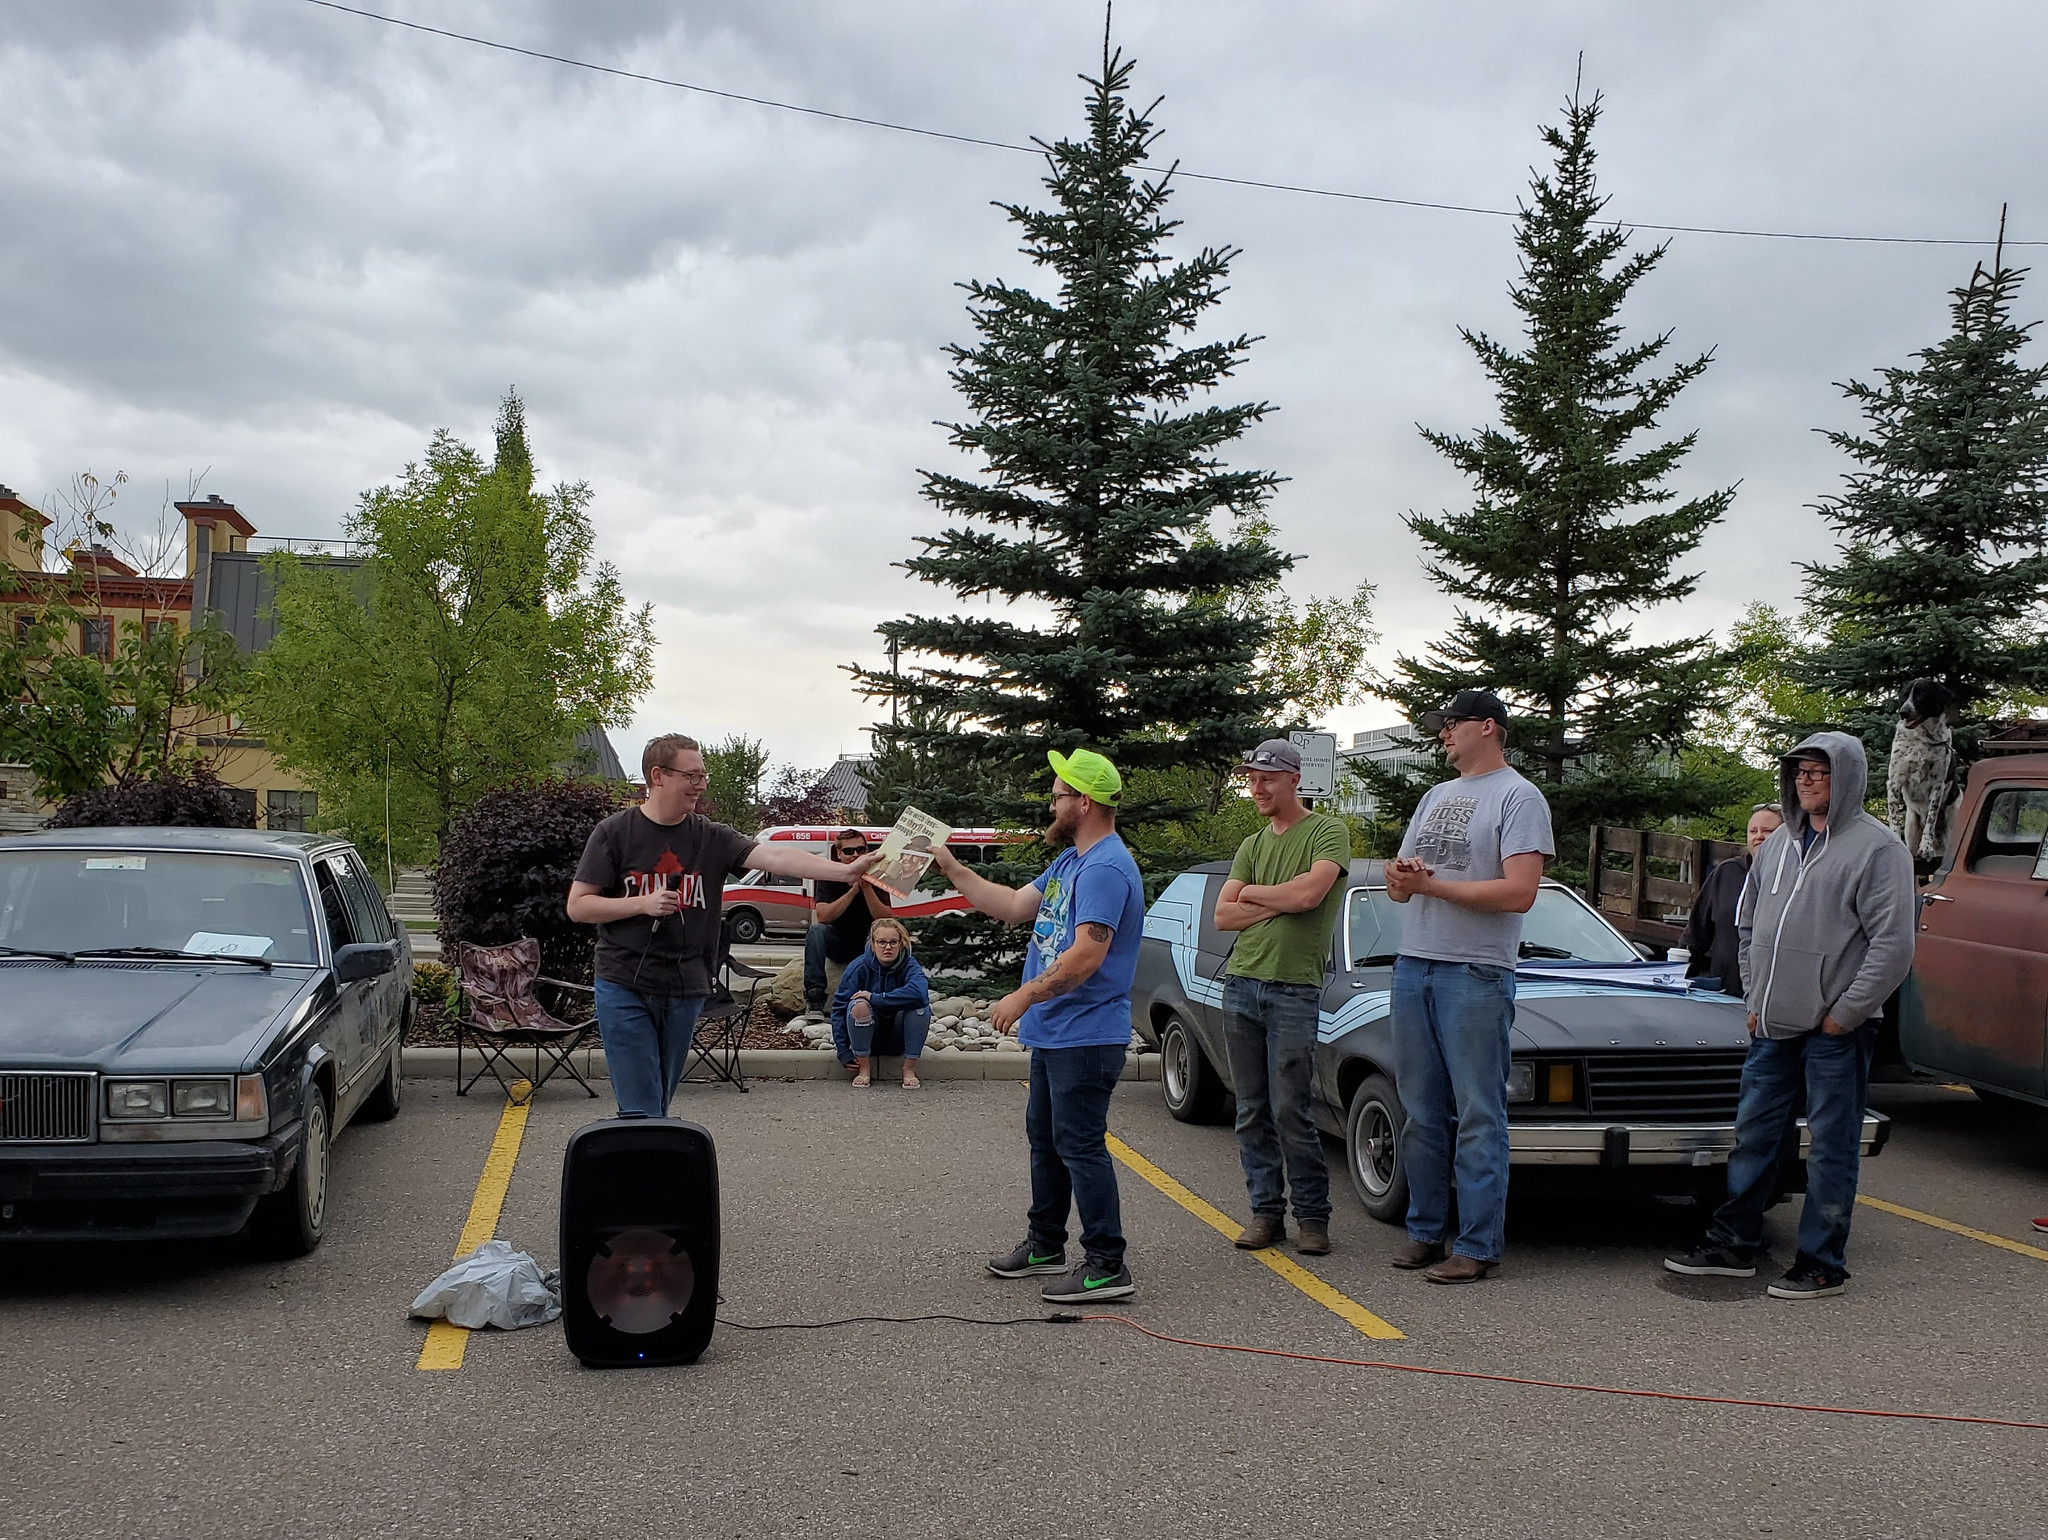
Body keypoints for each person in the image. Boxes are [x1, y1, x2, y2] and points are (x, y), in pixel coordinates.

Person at [1665, 733, 1915, 1300]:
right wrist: (1755, 999)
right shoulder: (1778, 845)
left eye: (1819, 772)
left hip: (1837, 1031)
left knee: (1830, 1147)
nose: (1806, 780)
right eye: (1799, 771)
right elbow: (1747, 925)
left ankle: (1821, 1263)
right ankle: (1734, 1242)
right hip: (1771, 1026)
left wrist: (1845, 1014)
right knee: (1754, 1136)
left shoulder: (1879, 850)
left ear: (1846, 778)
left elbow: (1893, 946)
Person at [926, 749, 1145, 1304]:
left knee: (1081, 1146)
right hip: (1058, 1032)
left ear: (1084, 802)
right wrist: (951, 866)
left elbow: (1087, 955)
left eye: (1057, 796)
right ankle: (1046, 1244)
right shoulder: (1071, 862)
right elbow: (1011, 904)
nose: (1051, 805)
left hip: (1087, 1035)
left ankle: (1107, 1265)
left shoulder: (1104, 868)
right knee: (1047, 1141)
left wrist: (1023, 995)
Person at [567, 734, 877, 1118]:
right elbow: (579, 906)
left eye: (703, 775)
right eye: (691, 776)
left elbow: (776, 857)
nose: (700, 784)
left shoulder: (711, 836)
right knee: (640, 1103)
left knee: (659, 1096)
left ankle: (652, 1147)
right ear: (658, 776)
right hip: (624, 983)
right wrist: (641, 904)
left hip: (686, 986)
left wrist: (845, 871)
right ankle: (650, 1150)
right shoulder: (615, 832)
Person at [1383, 688, 1554, 1285]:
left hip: (1475, 971)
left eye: (1452, 723)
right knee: (1421, 1111)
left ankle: (1478, 1245)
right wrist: (1402, 877)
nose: (1443, 733)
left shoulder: (1519, 796)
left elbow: (1520, 892)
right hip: (1415, 964)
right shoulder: (1434, 796)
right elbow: (1399, 887)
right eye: (1442, 725)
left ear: (1488, 727)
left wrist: (1432, 887)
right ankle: (1425, 1232)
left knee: (1479, 1112)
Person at [1212, 738, 1351, 1256]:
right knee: (1251, 1108)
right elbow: (1222, 916)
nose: (1257, 788)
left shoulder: (1327, 832)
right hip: (1242, 983)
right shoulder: (1252, 845)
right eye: (1252, 779)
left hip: (1294, 988)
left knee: (1291, 1108)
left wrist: (1253, 894)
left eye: (1267, 778)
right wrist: (1280, 900)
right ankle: (1265, 1214)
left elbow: (1310, 895)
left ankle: (1313, 1219)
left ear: (1295, 779)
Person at [1681, 804, 1784, 994]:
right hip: (1724, 991)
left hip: (1770, 994)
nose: (1759, 836)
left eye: (1767, 831)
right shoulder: (1726, 872)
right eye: (1753, 831)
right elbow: (1696, 933)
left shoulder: (1794, 878)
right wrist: (1679, 975)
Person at [804, 829, 883, 1059]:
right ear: (838, 854)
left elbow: (885, 918)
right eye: (849, 851)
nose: (855, 855)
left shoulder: (878, 875)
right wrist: (853, 890)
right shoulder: (829, 875)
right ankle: (815, 1000)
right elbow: (823, 915)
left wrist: (866, 887)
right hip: (838, 940)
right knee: (816, 932)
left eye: (861, 849)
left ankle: (882, 1000)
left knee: (889, 936)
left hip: (868, 942)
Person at [831, 916, 932, 1089]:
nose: (888, 947)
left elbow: (920, 994)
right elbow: (839, 1008)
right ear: (873, 944)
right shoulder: (859, 967)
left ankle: (909, 1069)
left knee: (920, 1008)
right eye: (882, 942)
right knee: (859, 1005)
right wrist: (843, 1051)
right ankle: (864, 1069)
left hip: (899, 1036)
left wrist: (875, 998)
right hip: (867, 1036)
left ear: (901, 944)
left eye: (893, 942)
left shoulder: (909, 964)